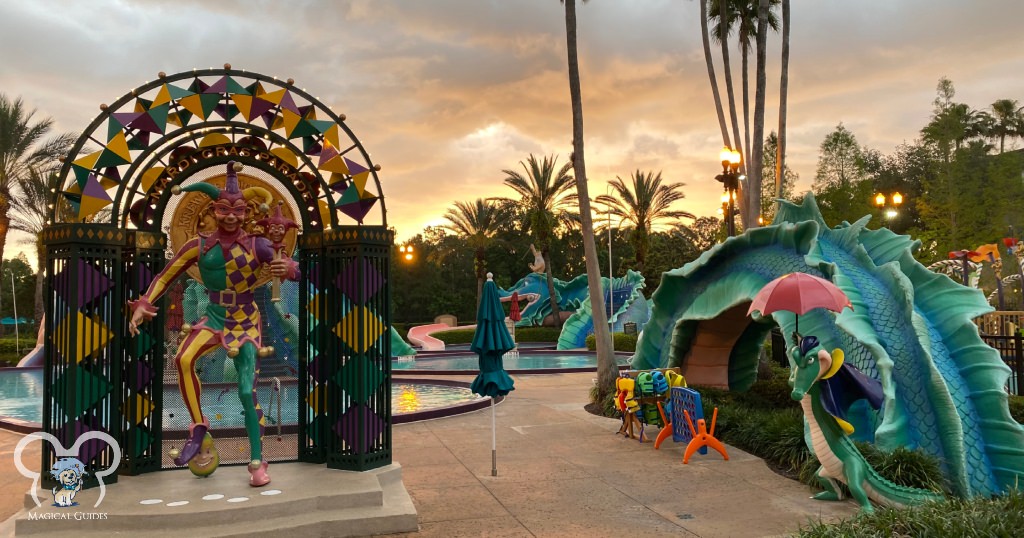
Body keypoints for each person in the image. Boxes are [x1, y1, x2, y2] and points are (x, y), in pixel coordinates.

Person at [128, 161, 299, 487]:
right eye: (224, 208)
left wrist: (287, 269)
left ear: (246, 212)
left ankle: (257, 459)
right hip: (216, 317)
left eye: (238, 209)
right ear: (213, 210)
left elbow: (291, 267)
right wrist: (144, 304)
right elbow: (166, 276)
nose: (231, 215)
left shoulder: (258, 245)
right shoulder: (198, 246)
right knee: (182, 358)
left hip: (246, 321)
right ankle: (199, 426)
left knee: (247, 392)